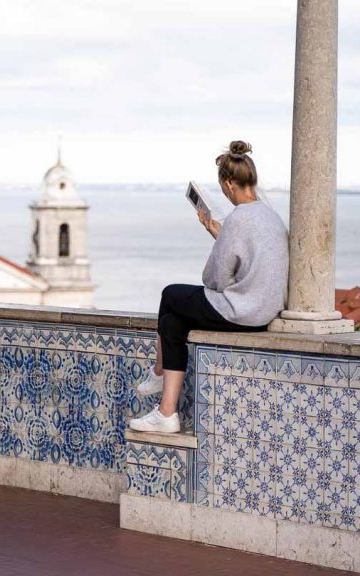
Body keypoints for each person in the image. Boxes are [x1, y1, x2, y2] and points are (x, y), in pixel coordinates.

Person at [129, 141, 288, 433]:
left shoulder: (239, 218)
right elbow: (250, 259)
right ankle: (166, 413)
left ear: (229, 184)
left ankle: (159, 370)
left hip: (241, 312)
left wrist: (223, 236)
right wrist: (218, 232)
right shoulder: (271, 216)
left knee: (170, 294)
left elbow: (214, 279)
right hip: (263, 310)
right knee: (171, 323)